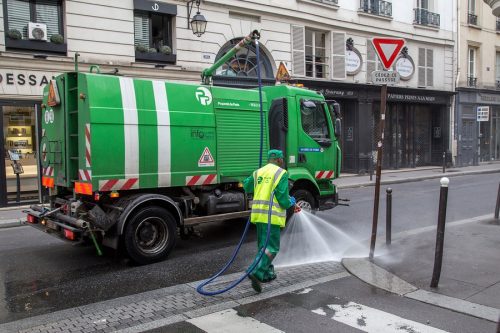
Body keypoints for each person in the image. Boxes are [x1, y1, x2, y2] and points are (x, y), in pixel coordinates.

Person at [243, 149, 300, 293]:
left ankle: (267, 274)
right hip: (272, 217)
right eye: (283, 159)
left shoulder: (258, 172)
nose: (283, 162)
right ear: (280, 160)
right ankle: (256, 271)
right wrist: (291, 203)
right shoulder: (281, 173)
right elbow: (282, 199)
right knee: (272, 248)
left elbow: (246, 186)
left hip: (259, 216)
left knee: (263, 246)